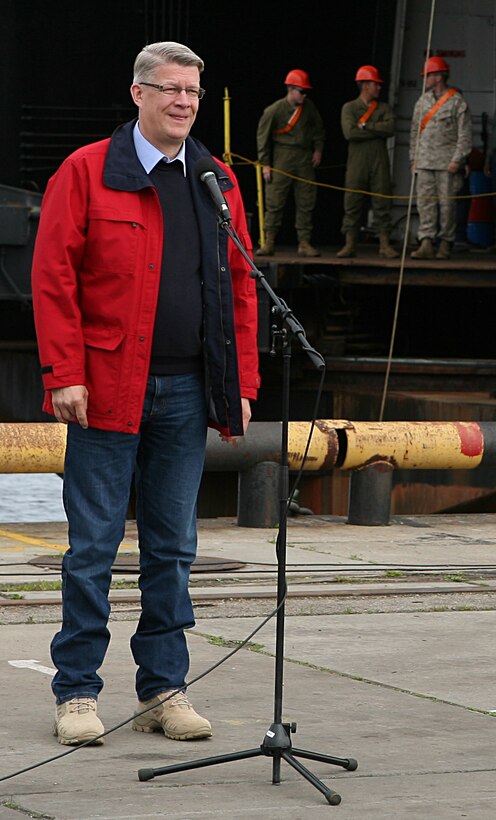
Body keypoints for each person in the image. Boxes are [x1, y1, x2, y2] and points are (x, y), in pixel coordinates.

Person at [31, 41, 260, 746]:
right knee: (93, 545)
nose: (184, 102)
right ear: (138, 94)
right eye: (169, 89)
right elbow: (54, 276)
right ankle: (76, 694)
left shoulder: (215, 180)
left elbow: (243, 286)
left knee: (173, 547)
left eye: (192, 91)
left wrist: (242, 382)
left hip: (190, 388)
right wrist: (64, 370)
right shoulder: (88, 170)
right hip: (104, 387)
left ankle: (164, 689)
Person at [256, 69, 325, 257]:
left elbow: (319, 129)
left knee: (306, 200)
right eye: (301, 91)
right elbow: (263, 138)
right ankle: (269, 241)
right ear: (290, 89)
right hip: (282, 157)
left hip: (303, 157)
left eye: (305, 92)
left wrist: (318, 150)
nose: (304, 95)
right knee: (275, 200)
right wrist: (266, 164)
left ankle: (304, 242)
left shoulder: (309, 108)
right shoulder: (274, 110)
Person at [410, 56, 472, 260]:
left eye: (428, 75)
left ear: (438, 76)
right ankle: (426, 242)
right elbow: (414, 132)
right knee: (424, 203)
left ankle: (445, 243)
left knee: (447, 206)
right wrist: (413, 159)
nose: (425, 79)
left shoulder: (457, 102)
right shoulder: (423, 101)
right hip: (425, 162)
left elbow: (464, 135)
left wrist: (458, 159)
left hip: (447, 164)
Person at [337, 65, 398, 259]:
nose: (379, 88)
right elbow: (350, 132)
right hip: (358, 160)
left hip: (379, 158)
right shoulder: (350, 108)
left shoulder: (384, 108)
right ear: (365, 85)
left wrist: (365, 126)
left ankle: (384, 244)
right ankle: (349, 244)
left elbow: (390, 128)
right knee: (352, 200)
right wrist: (374, 130)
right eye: (375, 84)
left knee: (382, 199)